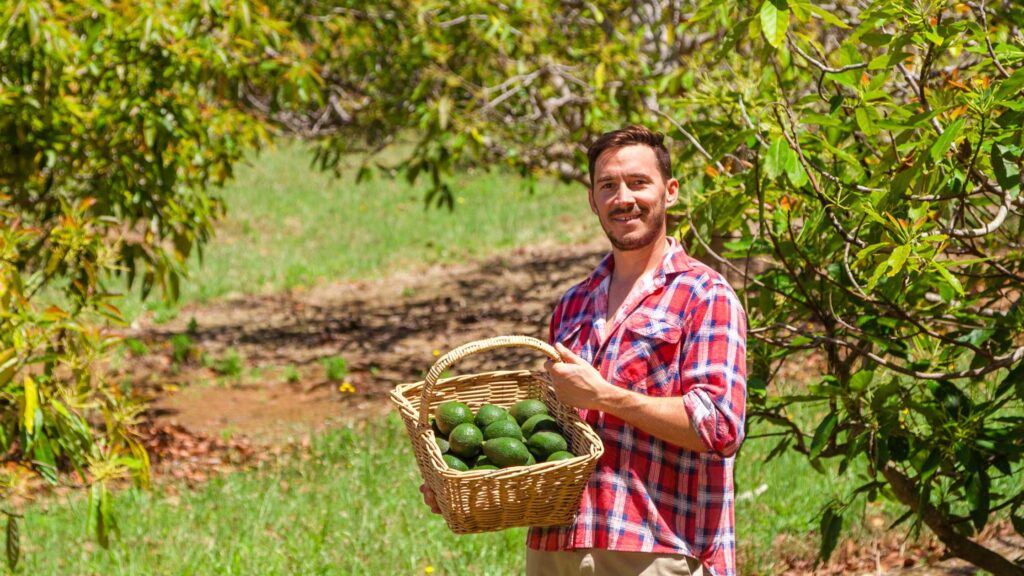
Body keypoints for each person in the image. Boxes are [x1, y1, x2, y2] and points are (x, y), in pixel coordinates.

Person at [422, 125, 747, 576]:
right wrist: (466, 477)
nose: (623, 198)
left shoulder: (704, 294)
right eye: (608, 186)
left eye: (638, 182)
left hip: (655, 548)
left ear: (669, 192)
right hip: (557, 546)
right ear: (593, 201)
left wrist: (606, 396)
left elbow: (720, 427)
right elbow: (548, 437)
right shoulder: (573, 304)